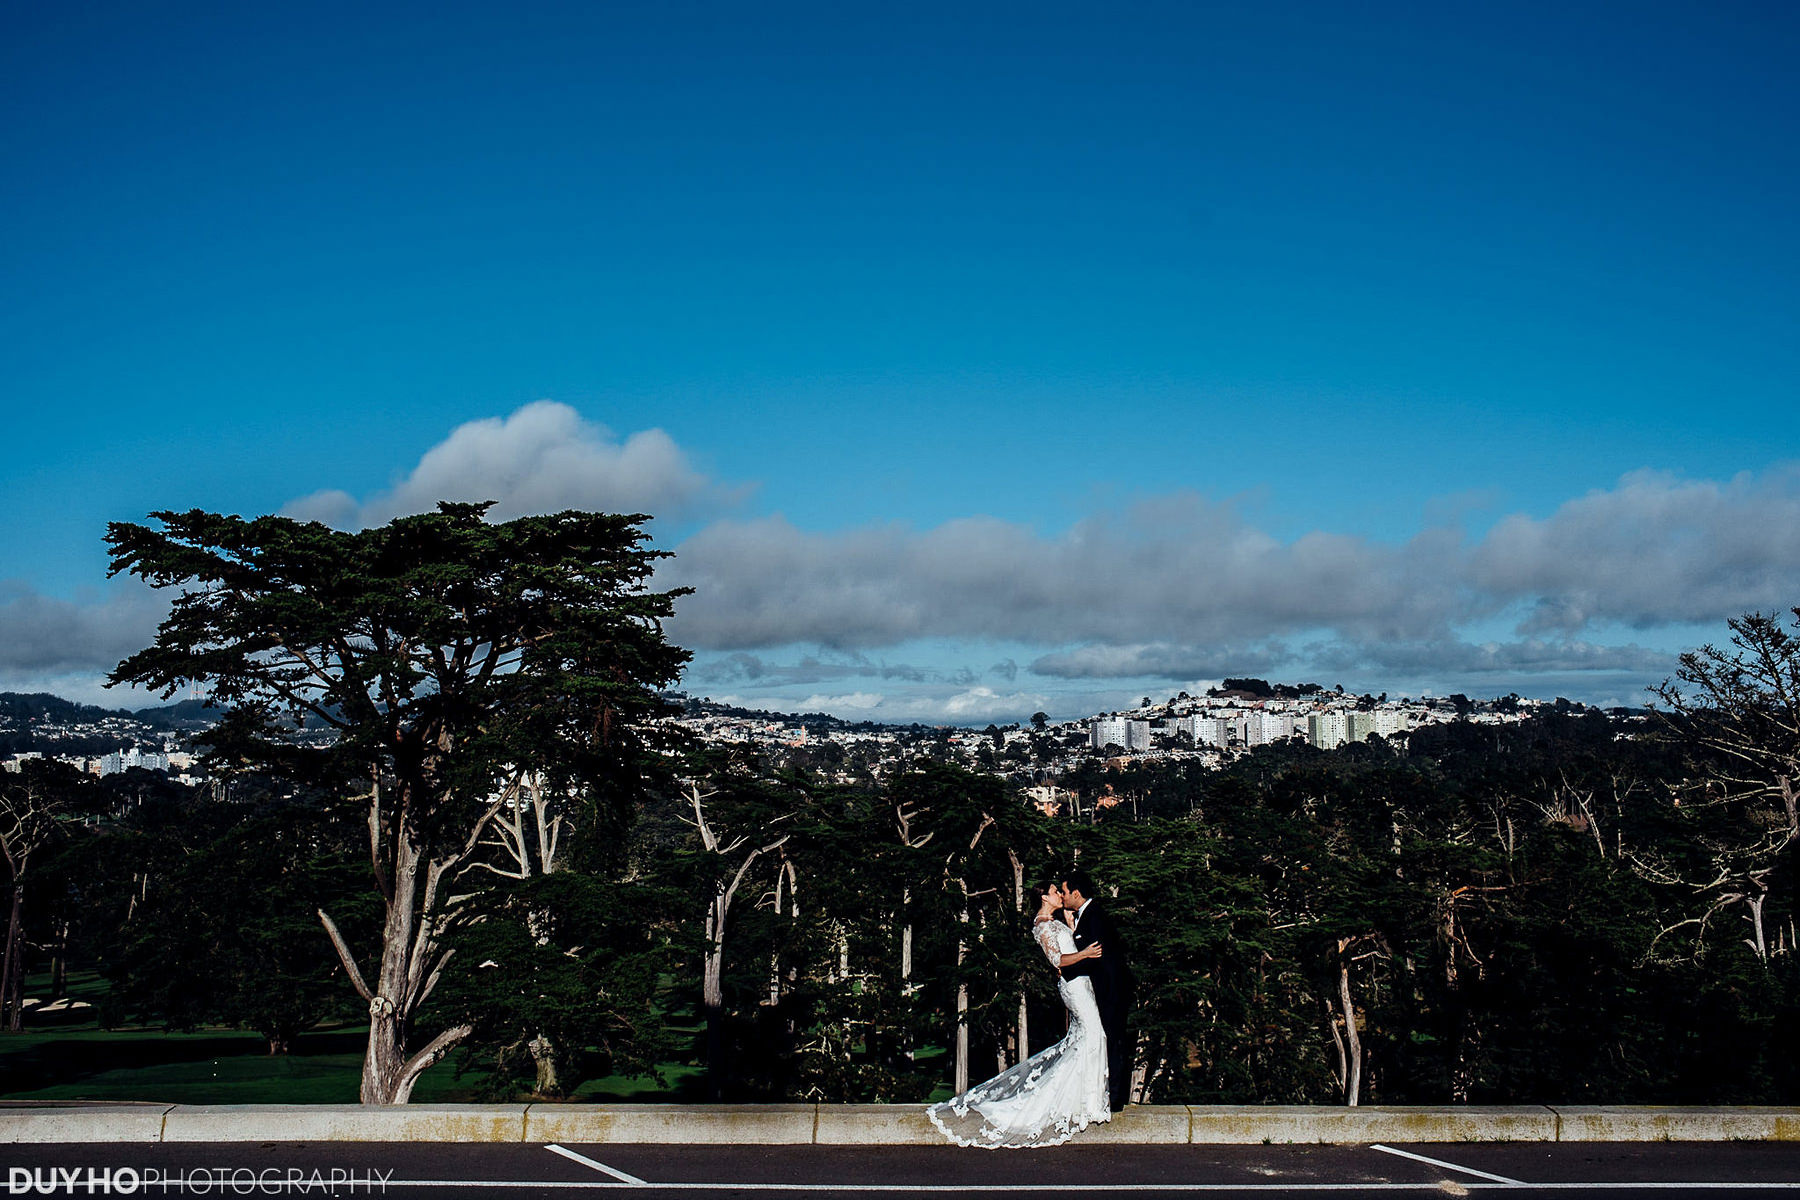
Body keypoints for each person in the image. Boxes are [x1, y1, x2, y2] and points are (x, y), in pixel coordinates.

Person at [926, 882, 1112, 1148]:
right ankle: (1087, 1103)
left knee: (1086, 1039)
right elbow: (1057, 960)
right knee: (1094, 1035)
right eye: (1055, 891)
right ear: (1044, 898)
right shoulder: (1042, 925)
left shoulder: (1055, 921)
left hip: (1083, 985)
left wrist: (1071, 925)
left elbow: (1068, 948)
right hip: (1074, 988)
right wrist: (1085, 953)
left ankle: (1086, 1101)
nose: (1060, 895)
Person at [1059, 867, 1134, 1111]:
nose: (1062, 896)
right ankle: (1112, 1095)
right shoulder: (1088, 914)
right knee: (1110, 1038)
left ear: (1076, 893)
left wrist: (1065, 972)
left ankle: (1115, 1098)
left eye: (1064, 892)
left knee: (1113, 1039)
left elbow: (1097, 957)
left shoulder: (1095, 916)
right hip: (1107, 988)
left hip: (1111, 990)